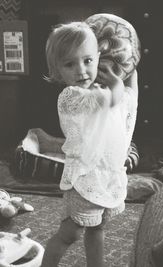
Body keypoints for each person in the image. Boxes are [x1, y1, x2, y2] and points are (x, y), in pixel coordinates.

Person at [41, 21, 139, 267]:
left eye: (87, 61)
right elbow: (111, 101)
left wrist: (132, 69)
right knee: (69, 234)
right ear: (57, 71)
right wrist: (118, 85)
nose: (81, 70)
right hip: (84, 179)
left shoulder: (102, 89)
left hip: (107, 175)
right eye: (69, 64)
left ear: (98, 58)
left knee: (98, 229)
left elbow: (128, 100)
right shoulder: (71, 98)